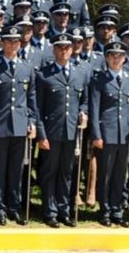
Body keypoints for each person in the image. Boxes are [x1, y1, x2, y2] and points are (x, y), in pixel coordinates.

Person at [35, 33, 88, 228]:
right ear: (54, 50)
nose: (64, 51)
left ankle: (64, 210)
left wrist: (83, 112)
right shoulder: (43, 75)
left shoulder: (79, 74)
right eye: (60, 47)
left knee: (67, 172)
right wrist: (41, 135)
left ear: (72, 49)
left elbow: (84, 100)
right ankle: (50, 211)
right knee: (50, 171)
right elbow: (37, 108)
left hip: (71, 131)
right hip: (51, 132)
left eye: (67, 47)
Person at [0, 25, 37, 226]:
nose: (13, 44)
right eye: (9, 41)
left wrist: (31, 121)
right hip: (0, 125)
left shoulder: (27, 67)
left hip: (20, 125)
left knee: (16, 169)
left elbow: (31, 98)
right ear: (2, 42)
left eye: (17, 41)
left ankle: (14, 206)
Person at [89, 41, 129, 227]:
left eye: (119, 56)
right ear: (106, 58)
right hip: (106, 133)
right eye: (112, 56)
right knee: (105, 175)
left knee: (120, 174)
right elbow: (94, 109)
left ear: (124, 58)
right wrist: (96, 135)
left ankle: (117, 210)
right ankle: (105, 210)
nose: (116, 59)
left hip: (124, 134)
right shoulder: (99, 80)